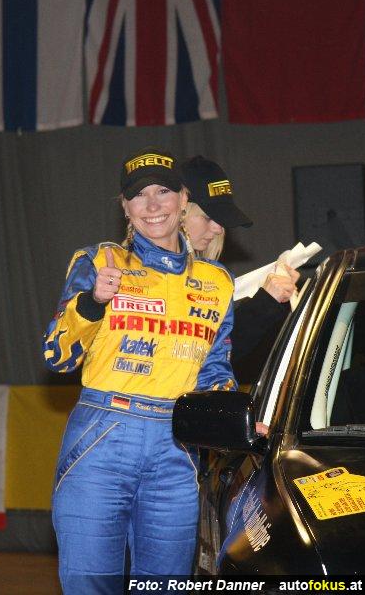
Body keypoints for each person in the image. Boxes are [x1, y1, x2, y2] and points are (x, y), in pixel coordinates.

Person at [43, 148, 237, 592]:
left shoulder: (217, 281)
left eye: (163, 191)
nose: (152, 205)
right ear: (125, 208)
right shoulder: (99, 261)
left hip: (177, 445)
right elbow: (57, 356)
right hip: (103, 435)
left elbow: (214, 372)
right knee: (91, 583)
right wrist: (93, 302)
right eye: (138, 195)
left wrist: (233, 417)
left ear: (183, 199)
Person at [181, 155, 300, 384]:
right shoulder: (153, 275)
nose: (218, 228)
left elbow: (221, 350)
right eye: (208, 217)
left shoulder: (211, 275)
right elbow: (201, 356)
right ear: (179, 211)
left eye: (221, 219)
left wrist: (270, 299)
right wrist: (266, 302)